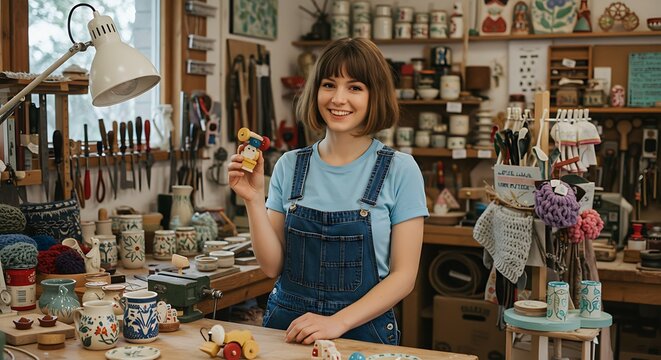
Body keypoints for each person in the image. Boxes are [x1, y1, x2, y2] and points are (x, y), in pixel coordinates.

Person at [228, 37, 428, 346]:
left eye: (355, 87)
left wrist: (337, 322)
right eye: (329, 84)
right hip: (289, 331)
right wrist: (253, 200)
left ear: (375, 96)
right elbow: (271, 266)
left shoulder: (401, 170)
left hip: (363, 335)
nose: (338, 98)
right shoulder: (289, 166)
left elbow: (403, 278)